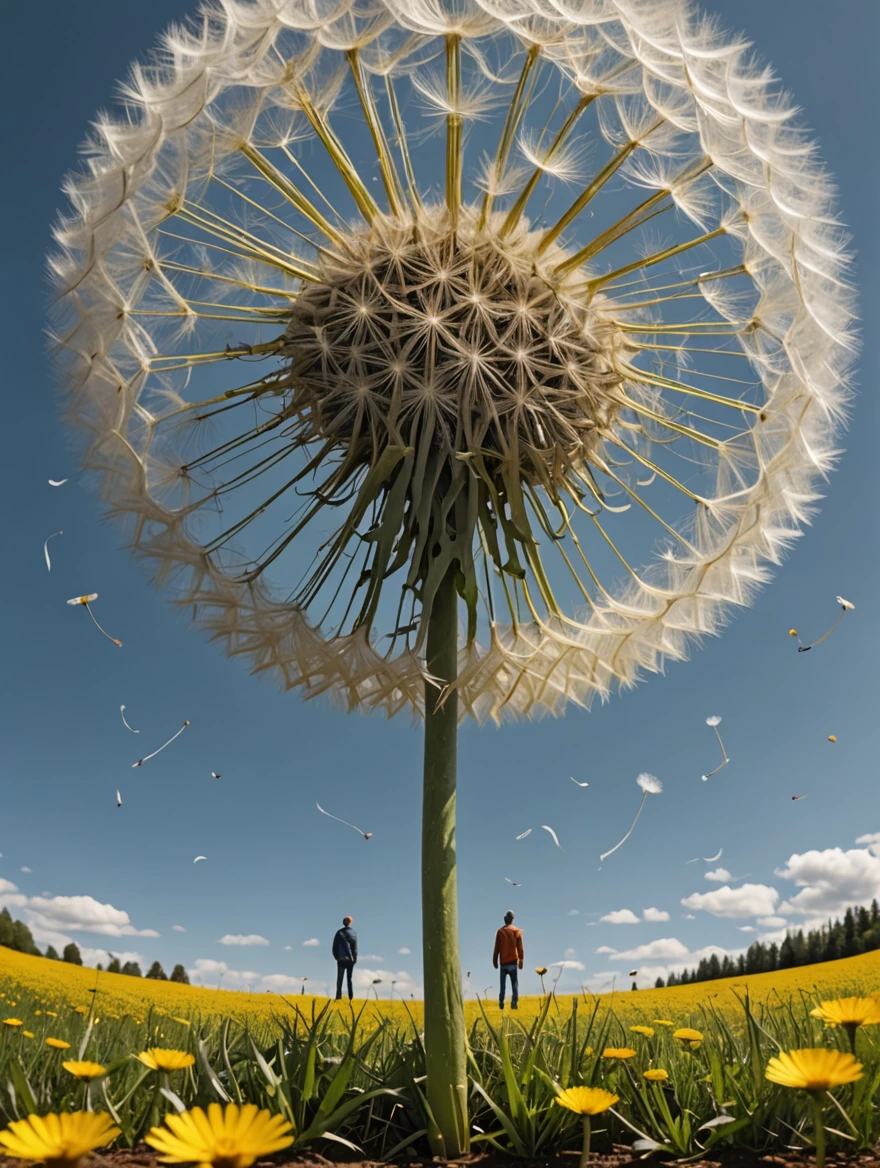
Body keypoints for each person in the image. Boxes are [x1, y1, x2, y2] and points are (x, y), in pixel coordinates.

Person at [492, 910, 523, 1010]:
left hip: (504, 963)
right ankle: (514, 1004)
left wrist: (495, 961)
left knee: (502, 986)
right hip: (513, 962)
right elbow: (520, 947)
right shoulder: (516, 931)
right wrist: (521, 960)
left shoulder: (500, 932)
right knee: (514, 985)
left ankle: (501, 1003)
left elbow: (497, 947)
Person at [332, 915, 358, 1001]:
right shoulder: (354, 933)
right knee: (349, 979)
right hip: (351, 960)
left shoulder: (339, 932)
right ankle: (351, 997)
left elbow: (334, 946)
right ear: (350, 922)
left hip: (341, 959)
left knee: (340, 979)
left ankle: (338, 997)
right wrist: (354, 959)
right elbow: (355, 947)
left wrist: (336, 957)